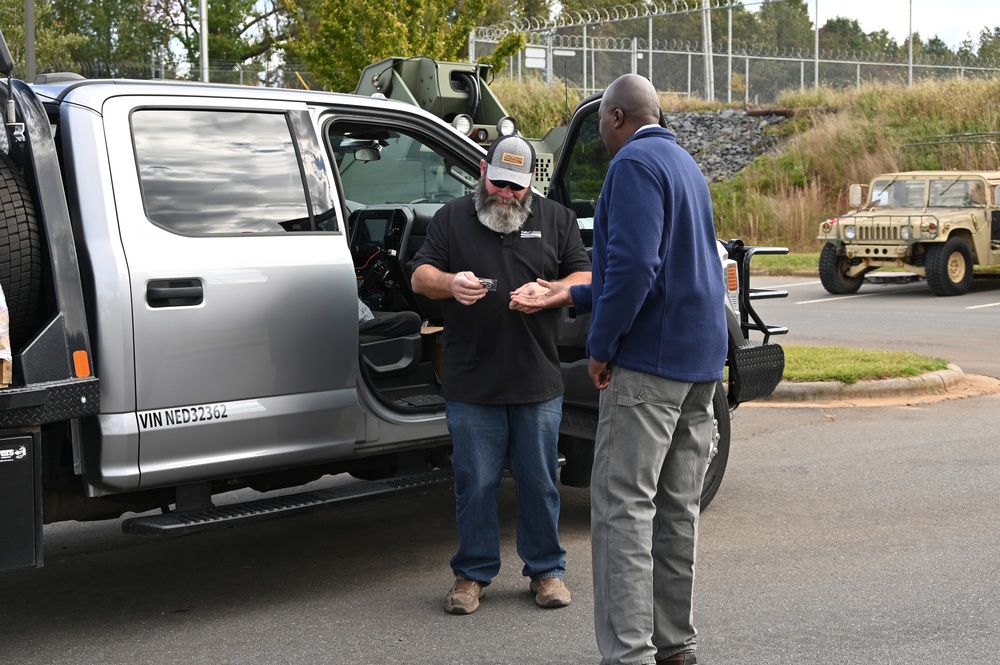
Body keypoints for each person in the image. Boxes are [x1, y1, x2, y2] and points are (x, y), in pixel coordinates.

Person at [511, 74, 727, 665]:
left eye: (605, 126)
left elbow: (635, 267)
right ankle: (674, 644)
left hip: (649, 363)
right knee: (676, 508)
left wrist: (601, 346)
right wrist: (572, 296)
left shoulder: (632, 166)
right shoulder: (684, 164)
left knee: (623, 510)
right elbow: (673, 264)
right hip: (700, 364)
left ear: (613, 119)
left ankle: (627, 654)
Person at [410, 134, 591, 615]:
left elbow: (585, 277)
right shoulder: (452, 217)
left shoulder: (558, 219)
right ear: (482, 171)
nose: (505, 195)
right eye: (498, 184)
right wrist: (451, 283)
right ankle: (472, 575)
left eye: (515, 188)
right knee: (476, 482)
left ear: (530, 182)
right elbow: (419, 275)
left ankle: (547, 572)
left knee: (539, 482)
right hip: (471, 382)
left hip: (537, 380)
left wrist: (550, 290)